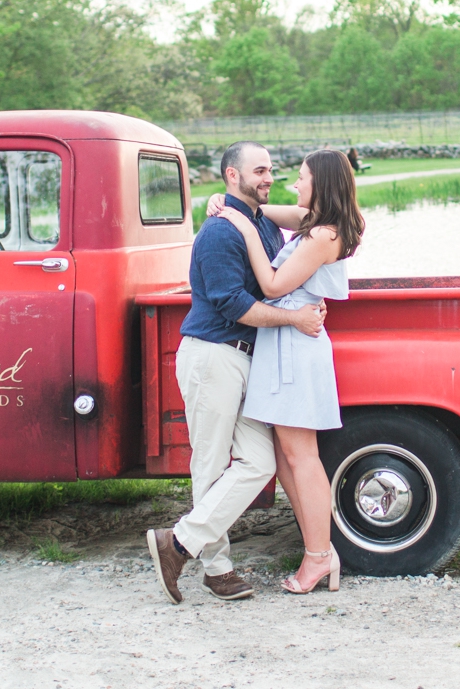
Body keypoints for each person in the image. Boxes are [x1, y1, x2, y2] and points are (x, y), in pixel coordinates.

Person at [145, 141, 326, 605]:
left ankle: (179, 541)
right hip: (213, 356)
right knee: (208, 461)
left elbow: (321, 221)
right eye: (259, 170)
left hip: (246, 359)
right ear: (232, 175)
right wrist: (295, 318)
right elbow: (232, 303)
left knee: (259, 462)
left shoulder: (259, 222)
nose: (269, 177)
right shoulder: (219, 233)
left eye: (271, 170)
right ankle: (217, 567)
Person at [215, 148, 363, 595]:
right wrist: (229, 203)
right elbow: (268, 208)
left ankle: (319, 556)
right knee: (285, 459)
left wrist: (241, 226)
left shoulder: (324, 234)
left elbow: (273, 286)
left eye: (300, 178)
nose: (293, 185)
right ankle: (318, 550)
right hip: (286, 342)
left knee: (302, 457)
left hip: (297, 348)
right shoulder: (311, 223)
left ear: (320, 183)